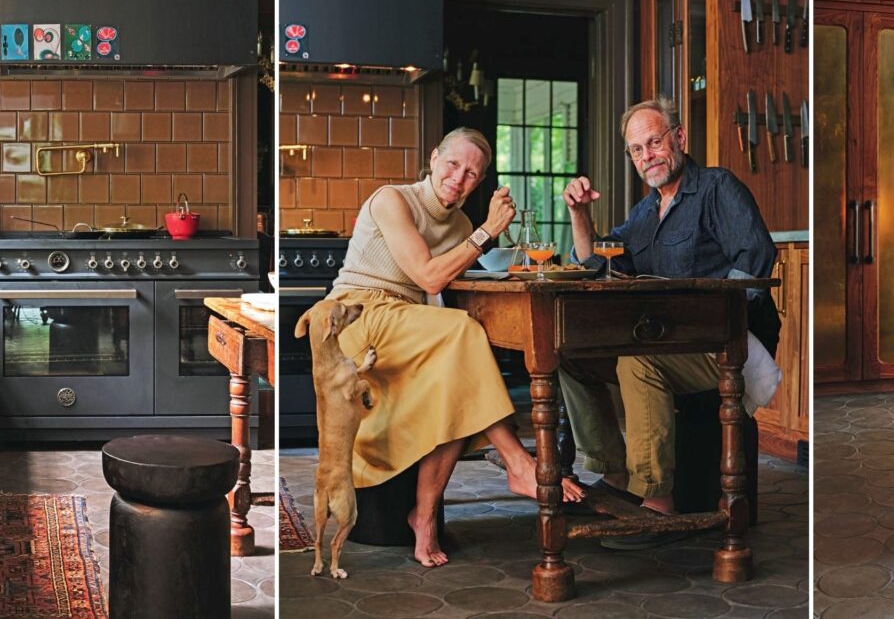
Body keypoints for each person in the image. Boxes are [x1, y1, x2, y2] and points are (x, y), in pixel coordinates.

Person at [325, 127, 584, 568]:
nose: (459, 178)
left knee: (458, 380)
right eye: (452, 165)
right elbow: (428, 277)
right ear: (432, 159)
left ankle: (423, 517)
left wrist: (485, 235)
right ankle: (517, 460)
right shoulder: (393, 199)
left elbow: (448, 280)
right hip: (357, 316)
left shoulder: (461, 224)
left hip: (407, 323)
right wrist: (486, 231)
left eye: (471, 173)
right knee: (464, 337)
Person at [557, 97, 780, 549]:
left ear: (678, 138)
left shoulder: (718, 188)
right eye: (636, 150)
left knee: (639, 363)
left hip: (727, 341)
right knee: (570, 356)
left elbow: (756, 260)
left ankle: (657, 503)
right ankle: (617, 475)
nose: (647, 156)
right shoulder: (645, 212)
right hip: (667, 340)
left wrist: (711, 319)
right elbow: (600, 264)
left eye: (654, 142)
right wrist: (579, 214)